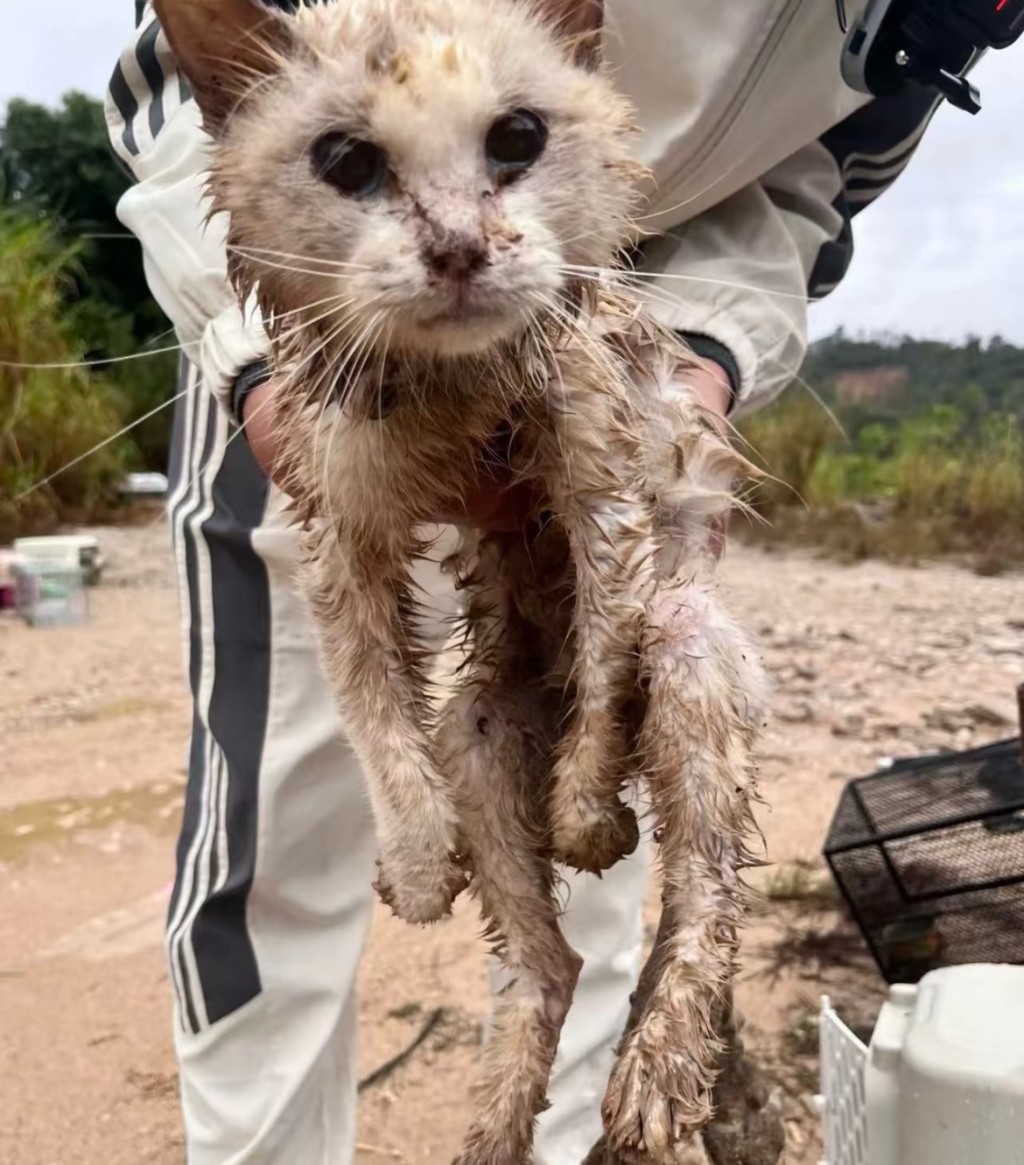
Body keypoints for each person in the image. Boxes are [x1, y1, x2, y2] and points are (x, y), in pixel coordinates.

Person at [106, 2, 941, 1162]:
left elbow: (834, 148)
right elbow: (187, 89)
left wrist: (700, 351)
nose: (453, 238)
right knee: (278, 838)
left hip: (616, 273)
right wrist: (253, 367)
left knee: (586, 831)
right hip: (316, 321)